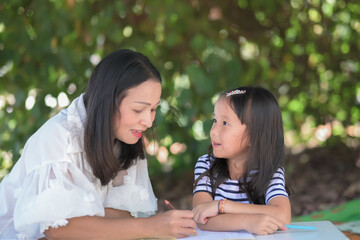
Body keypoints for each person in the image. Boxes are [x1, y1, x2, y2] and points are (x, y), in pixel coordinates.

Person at [0, 49, 196, 239]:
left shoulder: (124, 138)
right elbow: (58, 228)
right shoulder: (58, 137)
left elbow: (123, 214)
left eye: (153, 109)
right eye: (138, 110)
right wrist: (151, 227)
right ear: (107, 102)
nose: (149, 121)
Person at [192, 86, 292, 235]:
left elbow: (283, 216)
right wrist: (247, 222)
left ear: (255, 136)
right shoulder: (206, 165)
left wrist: (222, 206)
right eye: (215, 120)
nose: (213, 130)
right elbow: (201, 219)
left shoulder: (269, 172)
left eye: (225, 123)